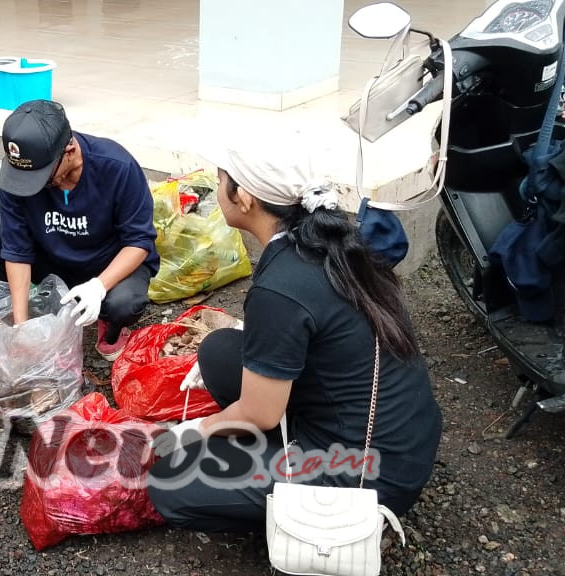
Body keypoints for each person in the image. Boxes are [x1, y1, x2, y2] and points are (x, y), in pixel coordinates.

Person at [146, 132, 443, 532]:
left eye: (220, 182)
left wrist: (192, 431)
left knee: (170, 483)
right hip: (400, 438)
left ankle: (303, 519)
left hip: (365, 475)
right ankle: (274, 454)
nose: (217, 191)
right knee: (219, 351)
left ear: (244, 198)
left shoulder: (281, 286)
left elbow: (259, 413)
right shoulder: (329, 240)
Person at [0, 99, 160, 360]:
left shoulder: (116, 167)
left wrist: (98, 287)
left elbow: (139, 242)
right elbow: (16, 249)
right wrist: (22, 327)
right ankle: (3, 325)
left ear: (69, 149)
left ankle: (110, 325)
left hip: (105, 264)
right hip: (53, 257)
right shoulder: (18, 175)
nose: (32, 184)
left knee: (124, 304)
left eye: (42, 175)